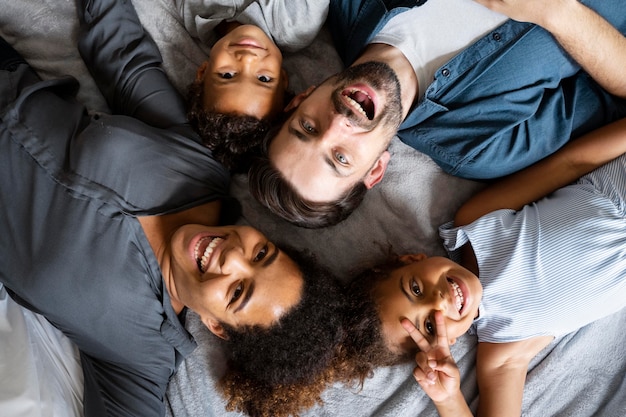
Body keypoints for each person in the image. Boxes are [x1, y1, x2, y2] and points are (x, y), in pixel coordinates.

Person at [0, 0, 348, 415]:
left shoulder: (142, 357)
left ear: (217, 326)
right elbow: (124, 58)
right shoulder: (201, 168)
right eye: (262, 253)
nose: (233, 255)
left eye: (238, 291)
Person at [248, 0, 626, 228]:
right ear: (376, 169)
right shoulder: (478, 145)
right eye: (341, 158)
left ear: (301, 99)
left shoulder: (351, 8)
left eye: (308, 127)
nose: (337, 124)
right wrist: (555, 11)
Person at [344, 115, 626, 416]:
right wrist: (448, 399)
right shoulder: (503, 351)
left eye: (415, 287)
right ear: (448, 343)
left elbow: (571, 163)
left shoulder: (476, 222)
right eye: (429, 325)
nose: (437, 300)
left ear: (411, 259)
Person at [177, 0, 328, 171]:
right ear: (283, 78)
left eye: (227, 75)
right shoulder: (297, 23)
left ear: (203, 72)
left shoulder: (193, 11)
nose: (248, 59)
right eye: (263, 78)